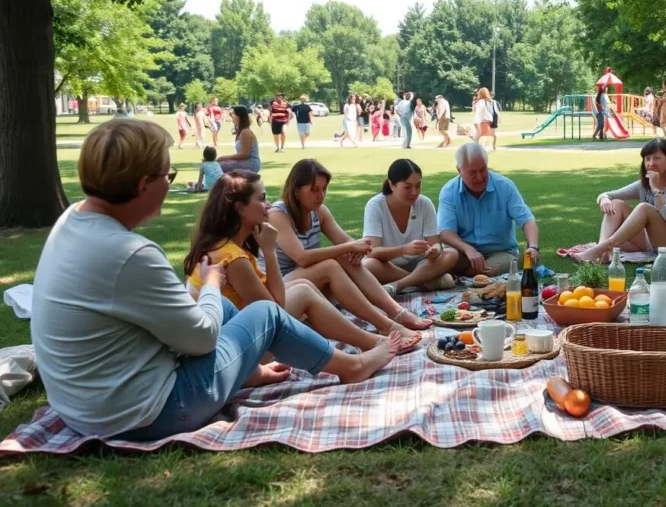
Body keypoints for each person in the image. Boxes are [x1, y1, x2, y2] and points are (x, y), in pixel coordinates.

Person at [30, 119, 403, 442]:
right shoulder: (130, 253)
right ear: (143, 185)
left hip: (85, 407)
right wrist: (210, 283)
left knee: (225, 307)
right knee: (265, 315)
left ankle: (251, 372)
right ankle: (352, 366)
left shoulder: (71, 224)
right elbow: (201, 338)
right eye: (167, 176)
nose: (169, 182)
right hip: (144, 413)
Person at [184, 171, 419, 352]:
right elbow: (272, 311)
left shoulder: (229, 247)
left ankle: (383, 327)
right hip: (238, 351)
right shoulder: (233, 257)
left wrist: (356, 248)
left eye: (324, 189)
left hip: (241, 335)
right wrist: (269, 250)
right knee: (310, 287)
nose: (267, 204)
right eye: (262, 198)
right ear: (239, 208)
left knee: (310, 284)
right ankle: (375, 340)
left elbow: (270, 305)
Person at [267, 159, 432, 337]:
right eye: (314, 189)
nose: (320, 195)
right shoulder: (278, 215)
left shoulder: (319, 212)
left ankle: (396, 312)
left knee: (344, 257)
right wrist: (350, 247)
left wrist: (358, 249)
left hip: (308, 281)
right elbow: (302, 257)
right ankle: (386, 323)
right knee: (331, 264)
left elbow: (346, 241)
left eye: (324, 189)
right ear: (296, 190)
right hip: (280, 286)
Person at [575, 139, 666, 263]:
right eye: (647, 159)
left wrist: (656, 190)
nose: (651, 163)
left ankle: (603, 247)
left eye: (657, 158)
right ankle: (602, 250)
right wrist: (604, 199)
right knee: (616, 203)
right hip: (648, 241)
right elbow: (610, 194)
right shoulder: (643, 185)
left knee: (644, 208)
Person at [438, 142, 539, 277]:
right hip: (463, 252)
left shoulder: (505, 186)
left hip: (501, 252)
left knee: (487, 271)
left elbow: (527, 220)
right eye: (473, 172)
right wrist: (468, 249)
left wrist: (533, 246)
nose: (479, 177)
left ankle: (459, 277)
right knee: (441, 261)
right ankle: (459, 276)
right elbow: (445, 232)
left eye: (483, 169)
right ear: (459, 170)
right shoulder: (449, 191)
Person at [362, 159, 459, 295]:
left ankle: (398, 285)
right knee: (368, 265)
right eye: (407, 187)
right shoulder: (375, 206)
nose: (414, 192)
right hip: (388, 265)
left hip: (419, 264)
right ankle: (423, 282)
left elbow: (435, 243)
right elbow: (372, 251)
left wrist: (435, 251)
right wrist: (404, 250)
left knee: (451, 254)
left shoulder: (424, 203)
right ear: (391, 185)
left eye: (418, 186)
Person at [216, 106, 261, 173]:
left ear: (240, 116)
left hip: (251, 163)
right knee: (217, 165)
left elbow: (244, 154)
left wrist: (223, 158)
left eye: (234, 114)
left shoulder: (246, 132)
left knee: (220, 166)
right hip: (245, 161)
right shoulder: (241, 131)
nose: (231, 116)